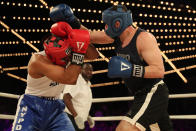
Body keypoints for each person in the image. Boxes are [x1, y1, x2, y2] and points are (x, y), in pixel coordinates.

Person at [49, 3, 174, 131]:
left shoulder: (144, 38)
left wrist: (129, 69)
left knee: (124, 129)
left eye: (107, 24)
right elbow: (89, 35)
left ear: (117, 23)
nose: (105, 27)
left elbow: (159, 70)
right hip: (139, 94)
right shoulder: (116, 37)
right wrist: (72, 21)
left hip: (153, 91)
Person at [11, 21, 99, 130]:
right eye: (65, 59)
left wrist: (77, 32)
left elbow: (94, 55)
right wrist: (79, 52)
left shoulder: (67, 53)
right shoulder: (37, 61)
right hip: (32, 106)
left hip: (56, 107)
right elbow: (70, 78)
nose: (68, 60)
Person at [61, 63, 95, 131]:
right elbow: (66, 98)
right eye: (86, 69)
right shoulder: (76, 81)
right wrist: (76, 116)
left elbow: (82, 102)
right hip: (71, 118)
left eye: (91, 70)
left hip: (78, 120)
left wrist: (87, 116)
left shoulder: (86, 84)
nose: (89, 72)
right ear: (80, 70)